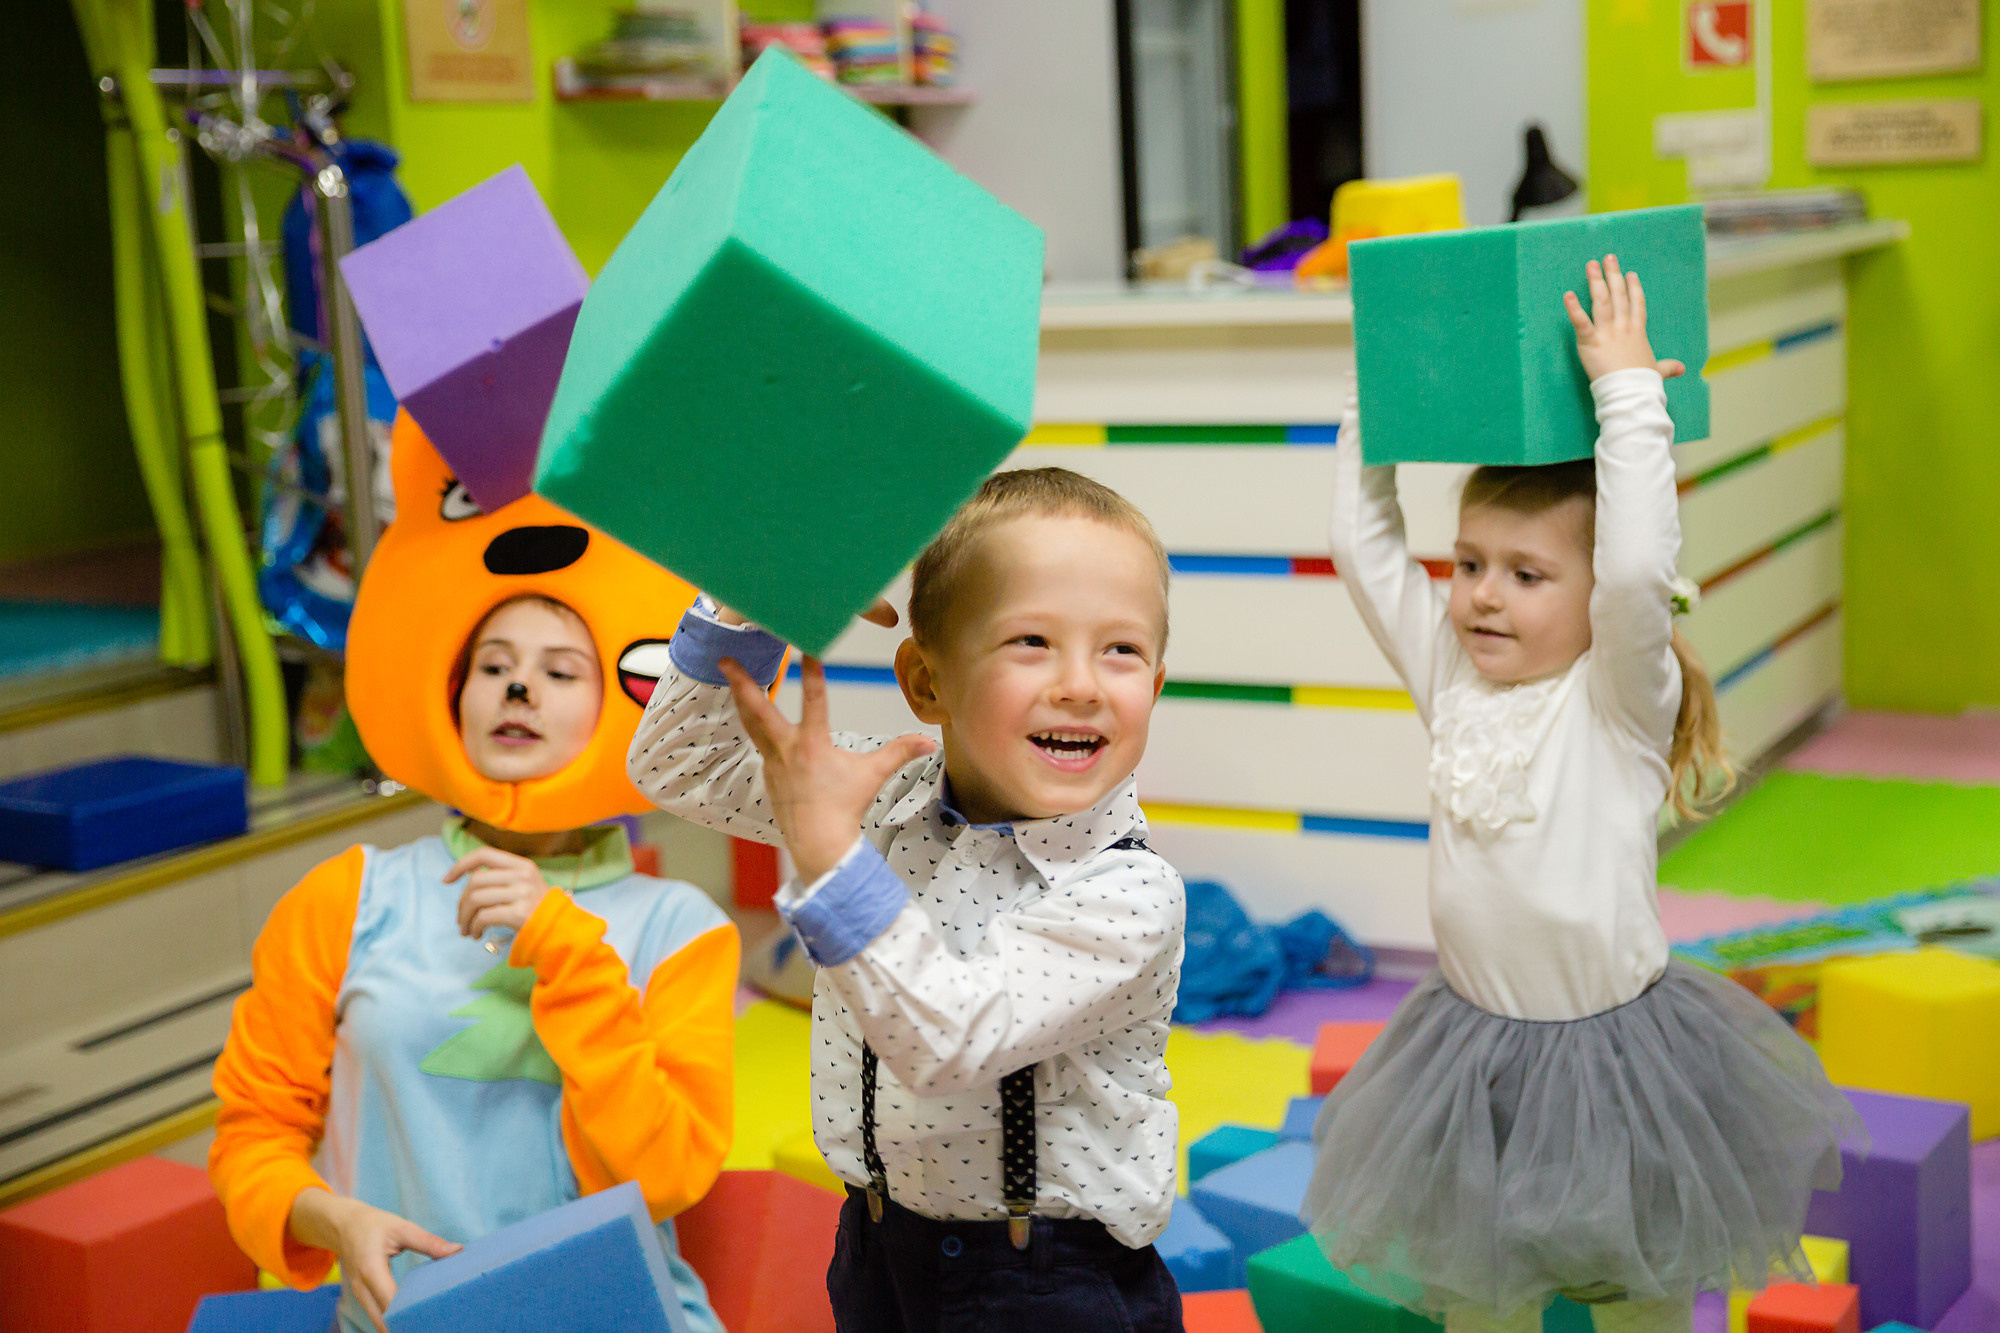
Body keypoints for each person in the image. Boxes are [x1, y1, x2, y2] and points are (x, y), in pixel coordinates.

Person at [1304, 257, 1860, 1333]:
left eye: (1523, 572)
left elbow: (1639, 567)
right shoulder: (1451, 678)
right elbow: (1362, 551)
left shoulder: (1616, 700)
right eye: (1468, 563)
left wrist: (1625, 397)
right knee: (1482, 1287)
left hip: (1614, 1063)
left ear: (1589, 594)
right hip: (1469, 1054)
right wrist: (1374, 394)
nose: (1478, 596)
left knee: (1631, 1290)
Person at [209, 415, 736, 1333]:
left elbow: (667, 1175)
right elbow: (252, 1134)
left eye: (559, 670)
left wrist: (568, 953)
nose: (517, 688)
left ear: (619, 702)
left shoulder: (680, 925)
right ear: (454, 696)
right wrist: (333, 1216)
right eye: (493, 665)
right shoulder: (349, 895)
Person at [629, 467, 1188, 1332]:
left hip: (1049, 1284)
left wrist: (829, 856)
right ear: (927, 684)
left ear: (1153, 685)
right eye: (1032, 640)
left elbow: (950, 1037)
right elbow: (680, 766)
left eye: (1120, 649)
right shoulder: (885, 797)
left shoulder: (1126, 889)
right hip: (877, 1242)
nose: (1082, 683)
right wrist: (753, 601)